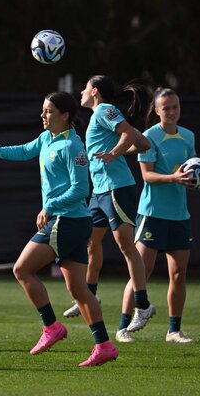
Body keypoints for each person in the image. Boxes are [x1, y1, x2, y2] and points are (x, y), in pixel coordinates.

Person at [0, 91, 118, 367]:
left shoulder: (73, 146)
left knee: (21, 269)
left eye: (48, 111)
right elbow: (24, 150)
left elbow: (82, 189)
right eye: (43, 110)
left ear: (66, 116)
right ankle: (104, 345)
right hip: (69, 221)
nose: (43, 115)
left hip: (67, 221)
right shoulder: (48, 138)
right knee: (80, 291)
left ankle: (52, 327)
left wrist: (50, 206)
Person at [62, 75, 156, 333]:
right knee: (91, 241)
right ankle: (90, 293)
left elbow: (127, 134)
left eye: (84, 87)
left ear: (94, 91)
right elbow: (143, 143)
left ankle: (143, 304)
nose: (81, 92)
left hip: (117, 188)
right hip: (100, 191)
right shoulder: (100, 115)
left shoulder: (104, 109)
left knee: (126, 245)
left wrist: (114, 153)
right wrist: (119, 148)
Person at [114, 88, 197, 344]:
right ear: (157, 110)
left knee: (178, 273)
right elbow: (147, 175)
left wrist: (195, 180)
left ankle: (174, 330)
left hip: (179, 215)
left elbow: (192, 169)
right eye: (166, 108)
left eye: (175, 107)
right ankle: (123, 328)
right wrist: (174, 177)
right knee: (141, 272)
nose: (171, 112)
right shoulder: (149, 137)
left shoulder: (188, 136)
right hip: (152, 214)